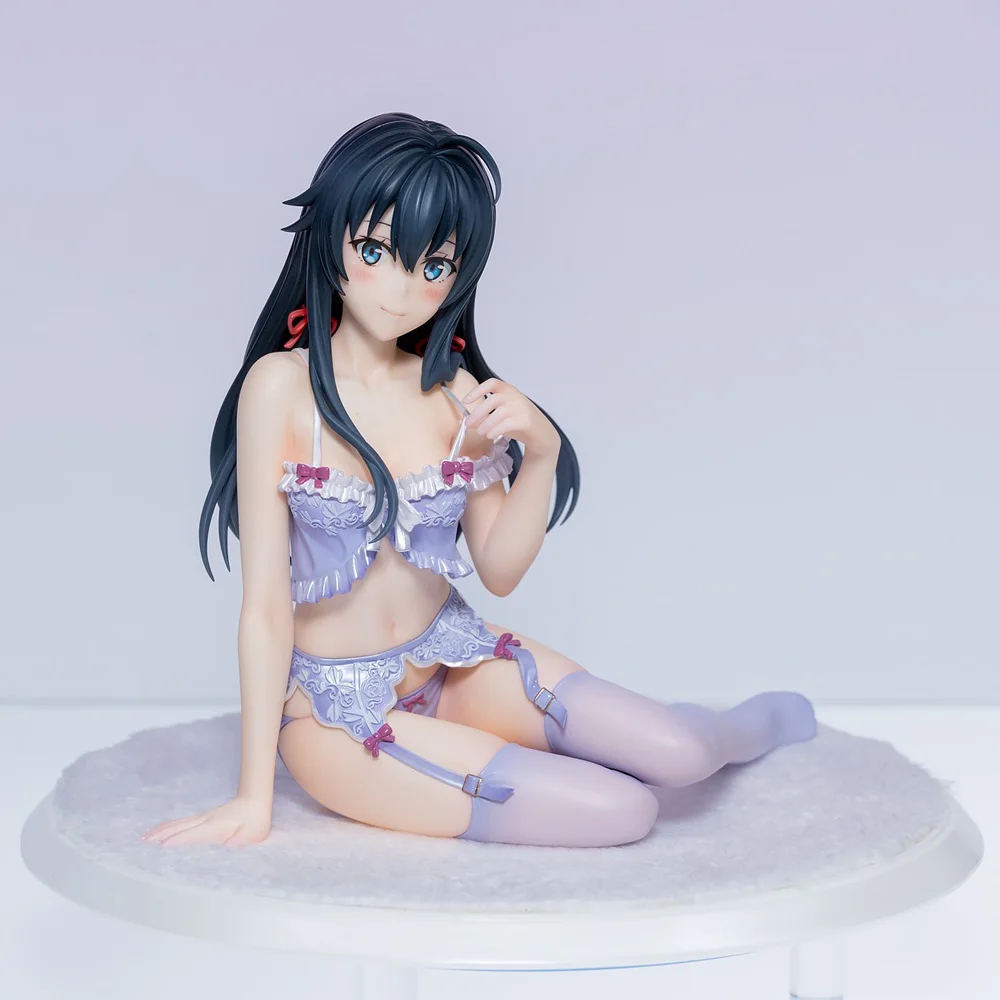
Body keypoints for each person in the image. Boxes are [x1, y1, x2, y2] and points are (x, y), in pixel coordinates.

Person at [142, 113, 816, 850]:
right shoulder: (281, 387)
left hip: (455, 659)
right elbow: (266, 609)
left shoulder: (455, 394)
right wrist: (253, 796)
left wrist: (544, 451)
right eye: (376, 251)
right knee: (624, 811)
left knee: (680, 755)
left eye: (433, 267)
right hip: (339, 717)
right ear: (331, 238)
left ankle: (741, 728)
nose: (401, 291)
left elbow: (499, 570)